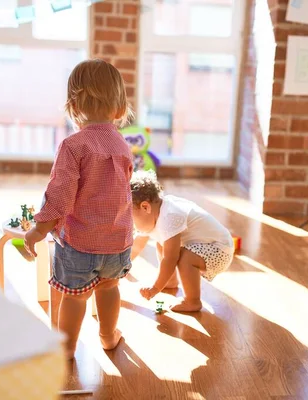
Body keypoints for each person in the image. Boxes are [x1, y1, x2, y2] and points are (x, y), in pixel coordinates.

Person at [24, 59, 134, 357]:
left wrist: (39, 229)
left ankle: (67, 350)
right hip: (117, 242)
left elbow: (60, 195)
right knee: (109, 289)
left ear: (73, 106)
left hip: (80, 245)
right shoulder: (122, 145)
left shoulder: (74, 145)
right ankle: (109, 336)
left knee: (75, 298)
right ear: (121, 108)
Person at [130, 171, 234, 312]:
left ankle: (192, 301)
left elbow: (170, 258)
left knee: (183, 258)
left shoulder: (169, 216)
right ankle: (170, 281)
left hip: (219, 250)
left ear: (145, 207)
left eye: (130, 219)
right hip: (202, 247)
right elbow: (137, 246)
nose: (130, 225)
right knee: (162, 244)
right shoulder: (153, 215)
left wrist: (155, 288)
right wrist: (122, 267)